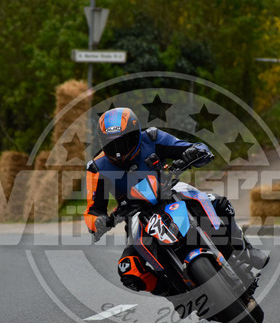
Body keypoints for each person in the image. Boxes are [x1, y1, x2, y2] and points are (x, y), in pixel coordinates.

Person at [84, 107, 269, 297]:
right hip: (134, 214)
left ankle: (243, 250)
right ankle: (175, 295)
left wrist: (194, 153)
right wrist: (98, 222)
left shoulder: (152, 137)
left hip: (168, 190)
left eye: (124, 141)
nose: (118, 151)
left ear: (136, 134)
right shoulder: (97, 167)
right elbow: (92, 211)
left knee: (218, 203)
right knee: (128, 270)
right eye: (112, 144)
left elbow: (195, 147)